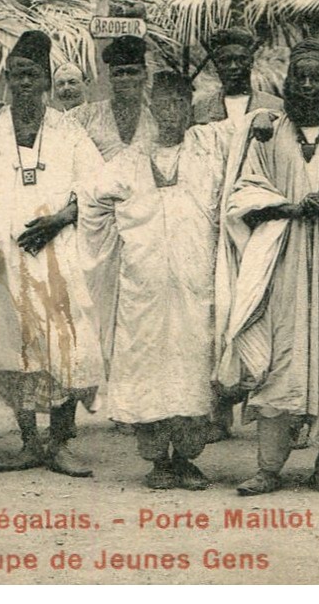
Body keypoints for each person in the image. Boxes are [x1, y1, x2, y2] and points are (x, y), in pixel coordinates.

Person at [219, 41, 319, 497]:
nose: (308, 86)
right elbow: (243, 194)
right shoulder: (266, 136)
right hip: (281, 263)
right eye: (300, 78)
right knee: (280, 362)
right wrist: (288, 208)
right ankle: (268, 467)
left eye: (317, 78)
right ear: (287, 84)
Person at [0, 30, 107, 478]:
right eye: (15, 73)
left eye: (32, 74)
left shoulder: (69, 129)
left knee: (67, 344)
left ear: (45, 80)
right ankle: (28, 441)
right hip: (3, 258)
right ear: (6, 77)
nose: (23, 82)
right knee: (14, 347)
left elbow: (96, 190)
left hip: (58, 253)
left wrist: (60, 218)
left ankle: (60, 443)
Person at [83, 70, 222, 490]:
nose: (171, 112)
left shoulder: (210, 152)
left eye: (179, 102)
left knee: (192, 364)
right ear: (152, 105)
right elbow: (91, 201)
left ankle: (187, 458)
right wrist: (114, 250)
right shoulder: (127, 160)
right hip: (143, 286)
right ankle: (158, 460)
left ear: (189, 105)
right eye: (162, 103)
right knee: (147, 366)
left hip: (195, 282)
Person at [72, 35, 157, 160]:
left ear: (145, 74)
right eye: (118, 73)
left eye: (132, 72)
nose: (125, 79)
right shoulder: (84, 116)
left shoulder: (155, 119)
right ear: (110, 77)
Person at [191, 27, 283, 126]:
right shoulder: (201, 108)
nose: (233, 66)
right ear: (217, 66)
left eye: (241, 60)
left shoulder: (275, 105)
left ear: (251, 63)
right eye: (225, 61)